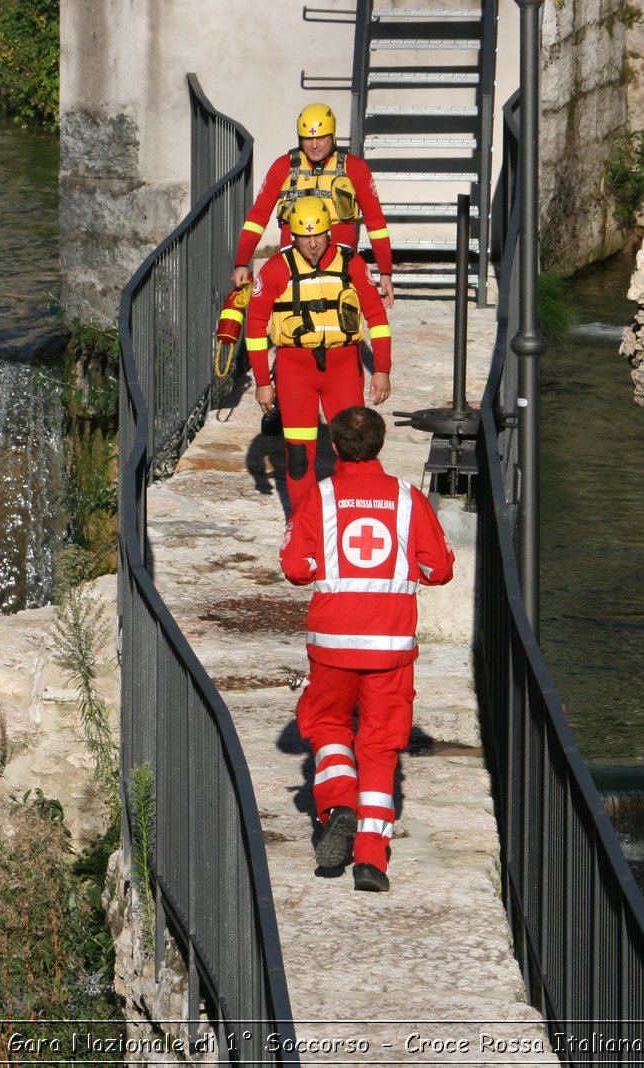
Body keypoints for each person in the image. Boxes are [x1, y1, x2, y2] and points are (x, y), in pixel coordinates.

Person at [279, 406, 454, 893]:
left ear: (334, 447)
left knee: (327, 725)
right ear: (381, 445)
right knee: (379, 746)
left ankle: (338, 804)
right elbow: (439, 569)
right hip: (389, 647)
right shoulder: (407, 498)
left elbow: (295, 567)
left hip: (332, 642)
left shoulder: (322, 497)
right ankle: (371, 861)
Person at [243, 196, 392, 506]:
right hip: (295, 372)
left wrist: (381, 369)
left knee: (354, 450)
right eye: (304, 236)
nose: (312, 244)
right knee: (298, 456)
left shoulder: (352, 264)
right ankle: (301, 527)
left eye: (318, 234)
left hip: (343, 369)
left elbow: (377, 317)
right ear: (293, 236)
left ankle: (350, 516)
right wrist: (262, 382)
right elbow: (255, 327)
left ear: (329, 231)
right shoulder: (275, 269)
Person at [231, 103, 394, 308]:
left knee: (340, 330)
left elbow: (376, 223)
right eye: (308, 138)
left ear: (333, 137)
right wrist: (241, 262)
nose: (314, 145)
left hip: (341, 269)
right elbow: (257, 218)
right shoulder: (283, 167)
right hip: (293, 269)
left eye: (321, 137)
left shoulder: (355, 168)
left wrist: (385, 272)